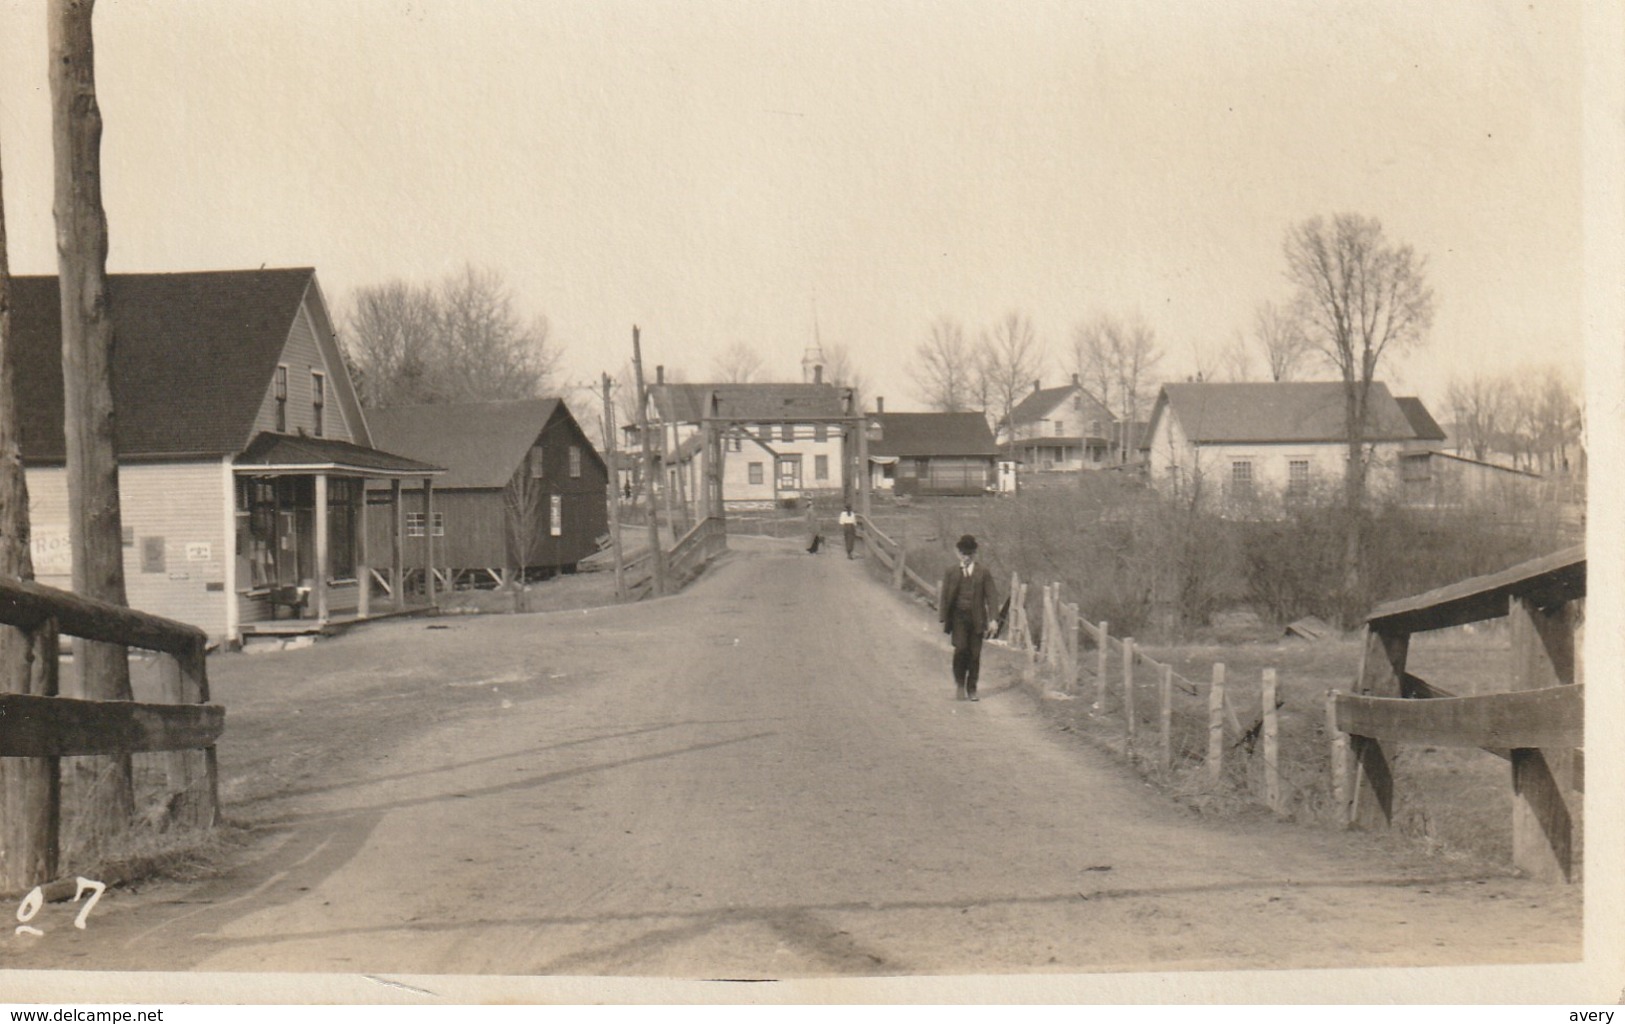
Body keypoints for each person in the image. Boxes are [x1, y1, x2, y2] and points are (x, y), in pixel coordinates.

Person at [939, 534, 998, 702]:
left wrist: (993, 618)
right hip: (958, 617)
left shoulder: (983, 573)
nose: (966, 557)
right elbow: (945, 595)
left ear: (975, 554)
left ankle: (972, 688)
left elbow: (992, 596)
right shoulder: (951, 572)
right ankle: (959, 684)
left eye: (970, 554)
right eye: (963, 554)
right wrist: (943, 617)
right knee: (961, 649)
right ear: (958, 553)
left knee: (974, 654)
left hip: (977, 618)